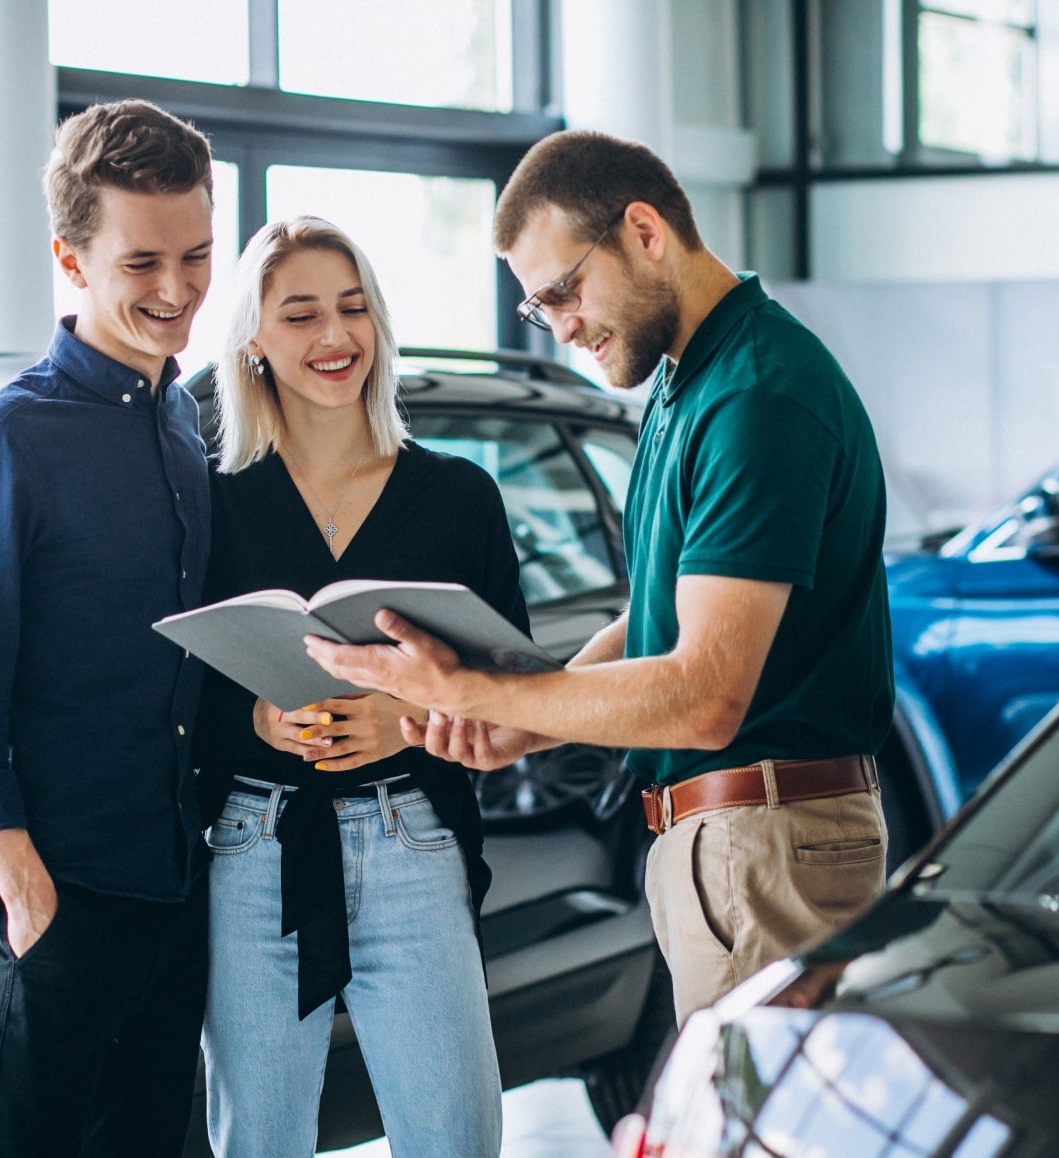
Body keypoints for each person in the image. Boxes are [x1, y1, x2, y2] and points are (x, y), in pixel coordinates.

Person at [306, 130, 894, 1025]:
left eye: (564, 291)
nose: (562, 326)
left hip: (765, 845)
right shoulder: (688, 383)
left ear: (645, 233)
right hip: (737, 844)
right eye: (539, 307)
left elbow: (704, 697)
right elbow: (658, 618)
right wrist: (519, 720)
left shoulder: (757, 396)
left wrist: (470, 688)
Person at [0, 99, 215, 1156]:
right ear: (70, 258)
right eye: (142, 264)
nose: (177, 288)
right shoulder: (4, 439)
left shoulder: (183, 423)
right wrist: (22, 886)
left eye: (196, 255)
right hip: (45, 904)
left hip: (168, 896)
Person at [194, 215, 522, 1157]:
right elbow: (174, 696)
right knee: (258, 1141)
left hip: (411, 835)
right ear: (253, 341)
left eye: (353, 309)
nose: (335, 337)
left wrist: (406, 720)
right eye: (301, 315)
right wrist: (258, 717)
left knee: (456, 1139)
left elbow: (514, 687)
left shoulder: (458, 496)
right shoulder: (213, 498)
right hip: (253, 846)